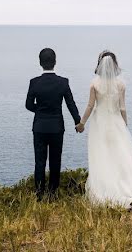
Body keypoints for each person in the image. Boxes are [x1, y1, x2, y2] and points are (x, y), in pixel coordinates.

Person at [76, 50, 132, 208]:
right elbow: (122, 108)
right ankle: (131, 188)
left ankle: (107, 190)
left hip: (100, 123)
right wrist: (125, 125)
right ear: (114, 65)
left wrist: (81, 123)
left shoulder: (94, 84)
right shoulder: (121, 84)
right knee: (122, 156)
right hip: (116, 122)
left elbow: (90, 106)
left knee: (102, 156)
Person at [25, 47, 82, 199]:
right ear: (55, 62)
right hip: (57, 127)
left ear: (40, 63)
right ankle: (53, 194)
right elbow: (71, 104)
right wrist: (78, 121)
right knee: (55, 161)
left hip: (39, 127)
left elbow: (29, 105)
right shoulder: (63, 82)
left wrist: (41, 110)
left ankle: (38, 195)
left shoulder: (34, 83)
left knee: (40, 162)